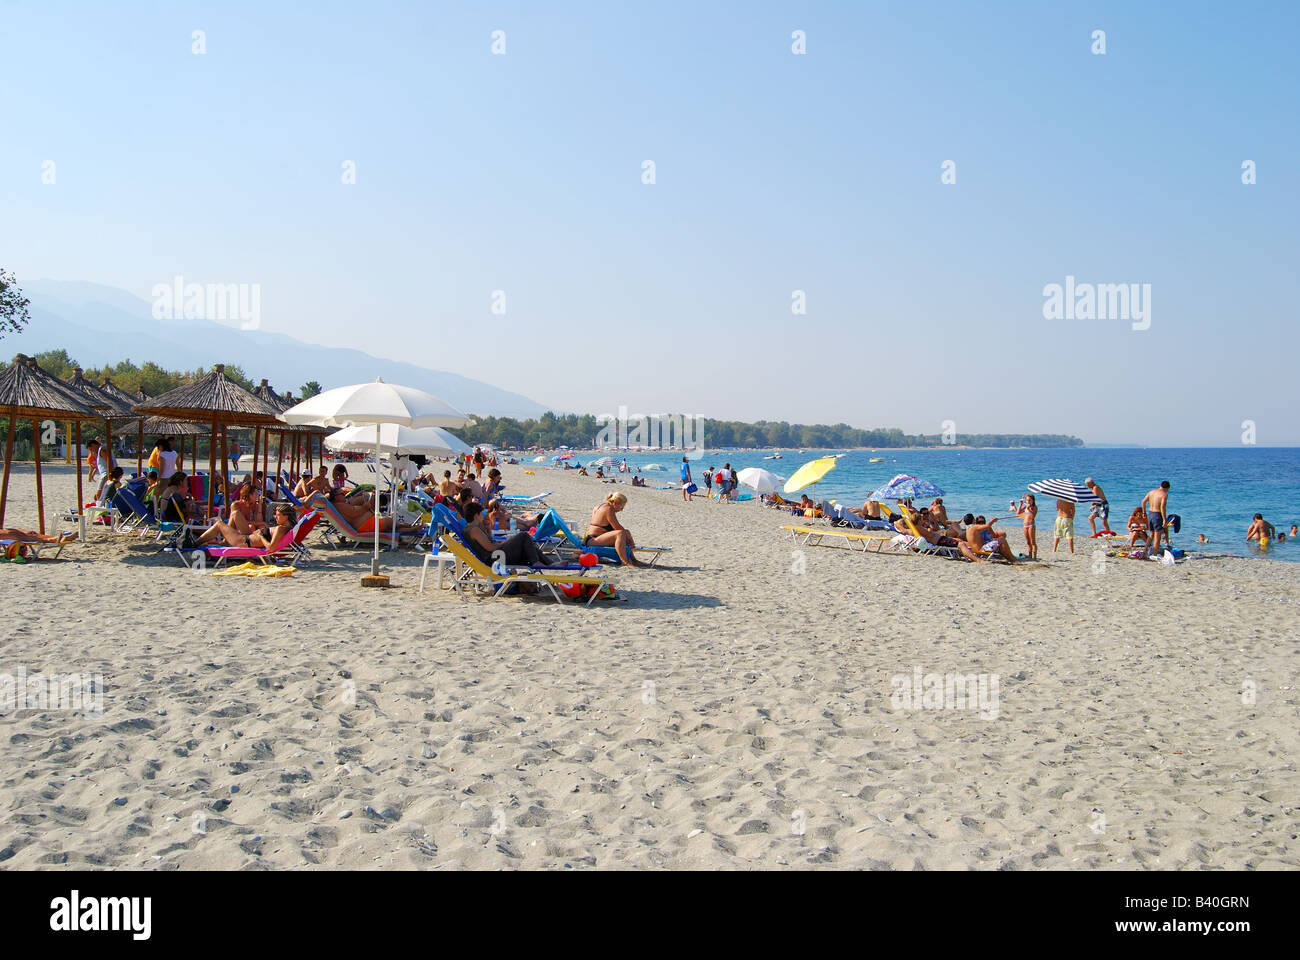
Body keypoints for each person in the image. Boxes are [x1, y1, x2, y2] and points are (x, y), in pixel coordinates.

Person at [461, 502, 562, 569]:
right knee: (523, 536)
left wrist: (488, 530)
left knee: (528, 546)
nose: (483, 516)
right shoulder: (474, 529)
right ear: (475, 516)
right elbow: (490, 547)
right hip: (495, 558)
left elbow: (489, 542)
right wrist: (506, 542)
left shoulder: (474, 528)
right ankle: (537, 563)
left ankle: (549, 563)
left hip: (497, 555)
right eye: (480, 514)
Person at [196, 503, 295, 550]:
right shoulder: (285, 528)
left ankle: (195, 544)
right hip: (246, 539)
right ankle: (224, 542)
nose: (275, 517)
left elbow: (271, 548)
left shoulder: (280, 529)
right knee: (234, 515)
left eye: (277, 515)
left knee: (219, 524)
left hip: (244, 541)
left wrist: (261, 535)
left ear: (285, 516)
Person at [327, 488, 422, 535]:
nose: (344, 495)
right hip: (365, 526)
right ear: (335, 497)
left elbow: (354, 512)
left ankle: (411, 528)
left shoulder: (339, 505)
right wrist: (364, 507)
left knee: (390, 528)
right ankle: (409, 527)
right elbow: (354, 513)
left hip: (366, 524)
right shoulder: (339, 505)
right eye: (341, 494)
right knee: (389, 521)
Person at [584, 492, 643, 566]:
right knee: (620, 533)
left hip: (594, 539)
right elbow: (617, 528)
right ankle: (625, 562)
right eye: (621, 507)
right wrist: (630, 538)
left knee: (625, 532)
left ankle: (634, 560)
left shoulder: (602, 506)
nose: (621, 510)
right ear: (615, 503)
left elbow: (595, 511)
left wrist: (628, 534)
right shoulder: (609, 509)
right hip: (593, 540)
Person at [1142, 481, 1171, 553]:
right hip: (1157, 514)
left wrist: (1144, 512)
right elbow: (1162, 507)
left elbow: (1143, 502)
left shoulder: (1151, 492)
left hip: (1150, 513)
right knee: (1157, 535)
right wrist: (1164, 519)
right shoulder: (1164, 494)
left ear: (1160, 485)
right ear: (1168, 488)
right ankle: (1155, 553)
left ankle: (1145, 551)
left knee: (1151, 534)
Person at [1017, 493, 1038, 560]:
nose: (1028, 502)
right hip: (1025, 525)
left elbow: (1033, 516)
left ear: (1033, 501)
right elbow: (1018, 513)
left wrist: (1029, 509)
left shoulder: (1034, 507)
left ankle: (1034, 557)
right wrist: (1020, 505)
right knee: (1028, 542)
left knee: (1033, 542)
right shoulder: (1026, 506)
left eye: (1030, 500)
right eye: (1027, 500)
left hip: (1031, 525)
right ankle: (1030, 555)